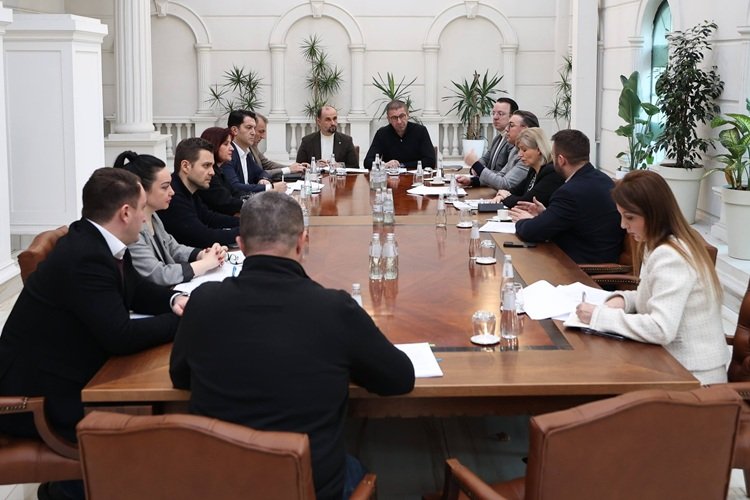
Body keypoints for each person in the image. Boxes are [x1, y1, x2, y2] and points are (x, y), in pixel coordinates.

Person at [170, 191, 415, 500]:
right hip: (309, 487)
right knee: (356, 467)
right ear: (302, 241)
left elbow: (180, 377)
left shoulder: (203, 303)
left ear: (241, 246)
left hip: (220, 485)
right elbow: (399, 378)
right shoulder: (334, 309)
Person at [0, 168, 186, 500]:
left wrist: (177, 301)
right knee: (148, 425)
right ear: (125, 212)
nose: (145, 218)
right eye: (142, 209)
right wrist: (185, 323)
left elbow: (137, 291)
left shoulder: (99, 240)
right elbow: (121, 336)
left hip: (69, 371)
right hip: (39, 396)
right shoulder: (85, 256)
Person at [575, 170, 728, 384]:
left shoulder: (671, 255)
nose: (623, 225)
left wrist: (599, 316)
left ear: (654, 213)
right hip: (669, 365)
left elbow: (661, 328)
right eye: (621, 216)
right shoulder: (661, 243)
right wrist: (623, 300)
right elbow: (653, 295)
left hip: (693, 379)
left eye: (630, 217)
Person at [114, 151, 227, 286]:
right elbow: (158, 274)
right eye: (165, 187)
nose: (172, 192)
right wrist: (205, 264)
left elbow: (172, 247)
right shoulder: (130, 229)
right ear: (141, 190)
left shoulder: (154, 216)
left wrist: (202, 254)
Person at [512, 129, 623, 263]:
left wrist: (523, 220)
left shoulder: (569, 192)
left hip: (581, 266)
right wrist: (545, 214)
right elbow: (577, 218)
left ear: (561, 160)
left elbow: (531, 232)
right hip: (602, 254)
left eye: (553, 156)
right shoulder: (604, 179)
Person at [158, 137, 240, 248]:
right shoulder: (173, 197)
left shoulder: (189, 189)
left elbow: (209, 218)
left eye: (212, 166)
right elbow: (204, 237)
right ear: (185, 166)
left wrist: (247, 222)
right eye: (206, 166)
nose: (212, 172)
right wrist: (247, 231)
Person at [457, 110, 539, 190]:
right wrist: (472, 181)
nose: (506, 129)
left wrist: (476, 164)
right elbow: (501, 175)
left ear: (525, 130)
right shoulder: (514, 150)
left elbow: (504, 184)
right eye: (493, 113)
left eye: (511, 125)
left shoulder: (529, 156)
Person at [489, 127, 563, 208]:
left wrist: (505, 197)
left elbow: (526, 202)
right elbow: (516, 190)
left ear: (539, 150)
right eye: (519, 150)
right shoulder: (533, 171)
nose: (519, 155)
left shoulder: (551, 173)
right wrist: (501, 195)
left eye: (524, 150)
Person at [222, 109, 287, 195]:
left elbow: (262, 172)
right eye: (249, 127)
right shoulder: (228, 154)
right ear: (234, 130)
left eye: (254, 128)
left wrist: (263, 179)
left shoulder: (246, 153)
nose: (253, 133)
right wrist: (270, 187)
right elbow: (235, 187)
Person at [363, 100, 436, 169]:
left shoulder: (420, 131)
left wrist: (401, 165)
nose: (399, 121)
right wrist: (384, 165)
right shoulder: (382, 133)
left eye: (402, 116)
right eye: (394, 118)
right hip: (390, 176)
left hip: (415, 176)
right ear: (388, 119)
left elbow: (430, 161)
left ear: (408, 115)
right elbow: (367, 162)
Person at [197, 126, 244, 216]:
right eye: (226, 144)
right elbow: (225, 202)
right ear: (214, 145)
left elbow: (235, 193)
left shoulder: (219, 170)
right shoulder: (209, 174)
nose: (232, 148)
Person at [253, 112, 307, 179]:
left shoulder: (253, 147)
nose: (263, 137)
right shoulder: (244, 149)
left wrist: (294, 167)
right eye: (261, 131)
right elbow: (259, 174)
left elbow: (267, 164)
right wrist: (289, 169)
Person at [473, 97, 519, 172]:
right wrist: (475, 168)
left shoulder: (513, 141)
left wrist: (480, 171)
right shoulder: (497, 138)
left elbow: (506, 173)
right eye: (493, 113)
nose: (495, 117)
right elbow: (485, 159)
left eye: (500, 114)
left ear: (512, 117)